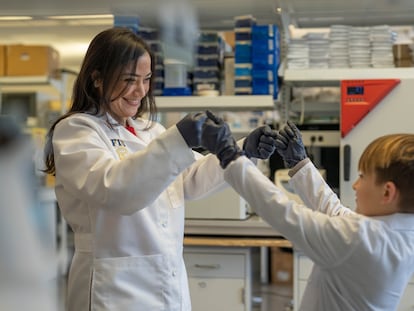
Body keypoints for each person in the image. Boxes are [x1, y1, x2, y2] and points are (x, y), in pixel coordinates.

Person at [43, 27, 277, 311]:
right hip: (115, 288)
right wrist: (178, 139)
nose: (140, 91)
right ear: (97, 79)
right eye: (129, 80)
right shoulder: (78, 131)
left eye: (146, 79)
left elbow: (188, 181)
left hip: (167, 280)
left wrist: (241, 151)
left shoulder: (150, 130)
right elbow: (115, 189)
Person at [200, 114, 414, 311]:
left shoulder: (361, 239)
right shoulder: (400, 234)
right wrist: (300, 163)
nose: (356, 185)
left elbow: (284, 213)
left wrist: (231, 157)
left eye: (363, 177)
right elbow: (336, 212)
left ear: (387, 192)